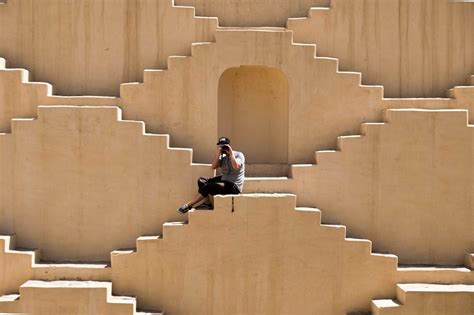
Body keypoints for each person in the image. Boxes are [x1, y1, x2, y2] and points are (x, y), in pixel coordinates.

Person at [177, 137, 245, 214]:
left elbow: (236, 166)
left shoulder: (239, 155)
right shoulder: (223, 157)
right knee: (202, 180)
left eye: (225, 145)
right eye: (221, 145)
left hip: (234, 185)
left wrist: (231, 154)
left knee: (209, 186)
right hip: (224, 180)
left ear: (229, 145)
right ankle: (207, 203)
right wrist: (218, 153)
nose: (223, 147)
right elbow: (214, 166)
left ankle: (189, 205)